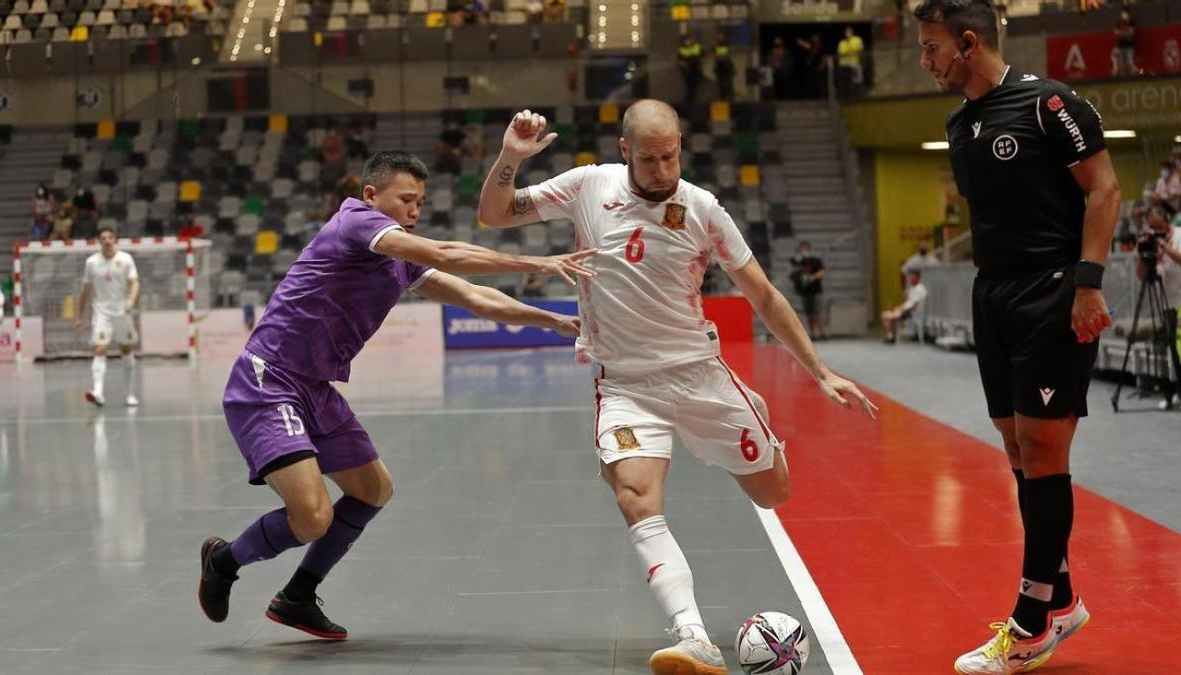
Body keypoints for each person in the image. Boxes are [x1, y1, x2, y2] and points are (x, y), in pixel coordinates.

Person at [477, 103, 877, 675]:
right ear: (624, 151)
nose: (662, 169)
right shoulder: (587, 186)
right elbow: (494, 214)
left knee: (773, 494)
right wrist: (511, 158)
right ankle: (693, 636)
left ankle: (752, 415)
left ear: (681, 146)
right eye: (649, 158)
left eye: (671, 156)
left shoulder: (703, 209)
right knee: (635, 496)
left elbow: (763, 295)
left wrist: (821, 372)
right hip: (625, 384)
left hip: (699, 376)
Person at [196, 151, 595, 640]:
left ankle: (297, 597)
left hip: (315, 388)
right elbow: (446, 254)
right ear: (371, 195)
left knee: (372, 490)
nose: (415, 210)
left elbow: (474, 296)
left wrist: (554, 321)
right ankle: (224, 560)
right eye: (407, 199)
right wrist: (537, 262)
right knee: (314, 517)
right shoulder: (355, 223)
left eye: (420, 202)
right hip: (269, 380)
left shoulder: (397, 259)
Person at [915, 0, 1120, 671]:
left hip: (1052, 290)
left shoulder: (1050, 106)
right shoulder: (959, 122)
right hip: (992, 293)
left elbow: (1105, 189)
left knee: (1042, 444)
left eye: (933, 48)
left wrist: (1088, 283)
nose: (926, 60)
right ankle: (1063, 596)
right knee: (1012, 440)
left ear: (968, 43)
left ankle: (1033, 620)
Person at [76, 227, 141, 408]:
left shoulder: (126, 259)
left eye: (110, 237)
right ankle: (98, 392)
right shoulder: (91, 263)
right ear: (99, 241)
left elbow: (135, 283)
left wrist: (130, 301)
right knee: (100, 348)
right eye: (103, 238)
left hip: (122, 312)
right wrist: (79, 317)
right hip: (101, 313)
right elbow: (86, 291)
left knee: (127, 350)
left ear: (115, 240)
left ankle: (129, 394)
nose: (107, 240)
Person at [1136, 206, 1181, 409]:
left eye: (1158, 227)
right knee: (1171, 349)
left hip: (1180, 300)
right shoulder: (1152, 243)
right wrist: (1142, 253)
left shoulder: (1179, 235)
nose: (1155, 231)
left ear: (1167, 220)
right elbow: (1142, 275)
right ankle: (1172, 394)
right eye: (1151, 228)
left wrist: (1163, 244)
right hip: (1165, 302)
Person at [789, 241, 826, 339]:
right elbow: (792, 273)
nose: (804, 250)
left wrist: (813, 277)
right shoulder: (798, 262)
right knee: (808, 313)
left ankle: (821, 332)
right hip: (805, 292)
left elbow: (822, 272)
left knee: (816, 313)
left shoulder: (815, 260)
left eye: (806, 248)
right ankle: (812, 333)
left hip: (816, 290)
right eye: (802, 248)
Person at [881, 270, 928, 343]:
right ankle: (891, 336)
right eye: (910, 277)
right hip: (906, 310)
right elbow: (908, 302)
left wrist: (901, 309)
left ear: (918, 278)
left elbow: (914, 304)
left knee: (888, 316)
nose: (910, 279)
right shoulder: (912, 288)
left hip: (911, 312)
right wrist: (898, 307)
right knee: (885, 314)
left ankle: (891, 336)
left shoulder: (920, 289)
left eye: (912, 277)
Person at [836, 26, 865, 98]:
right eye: (846, 31)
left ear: (852, 32)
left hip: (855, 64)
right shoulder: (841, 42)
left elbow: (860, 50)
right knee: (845, 82)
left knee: (857, 80)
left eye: (849, 31)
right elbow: (839, 54)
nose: (848, 33)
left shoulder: (857, 39)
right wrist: (849, 53)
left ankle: (858, 96)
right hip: (844, 65)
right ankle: (846, 97)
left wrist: (850, 53)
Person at [1113, 10, 1137, 78]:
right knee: (1122, 65)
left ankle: (1133, 77)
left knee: (1130, 63)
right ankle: (1124, 79)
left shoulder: (1131, 23)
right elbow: (1116, 33)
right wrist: (1125, 33)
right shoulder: (1118, 24)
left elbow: (1131, 32)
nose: (1124, 20)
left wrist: (1122, 33)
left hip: (1129, 46)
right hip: (1121, 47)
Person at [713, 31, 736, 102]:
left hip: (727, 68)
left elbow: (727, 56)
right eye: (719, 36)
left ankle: (730, 98)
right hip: (720, 68)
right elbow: (715, 56)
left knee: (729, 84)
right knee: (720, 85)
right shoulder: (716, 46)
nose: (720, 38)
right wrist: (721, 57)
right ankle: (722, 98)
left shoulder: (727, 45)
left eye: (722, 36)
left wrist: (721, 57)